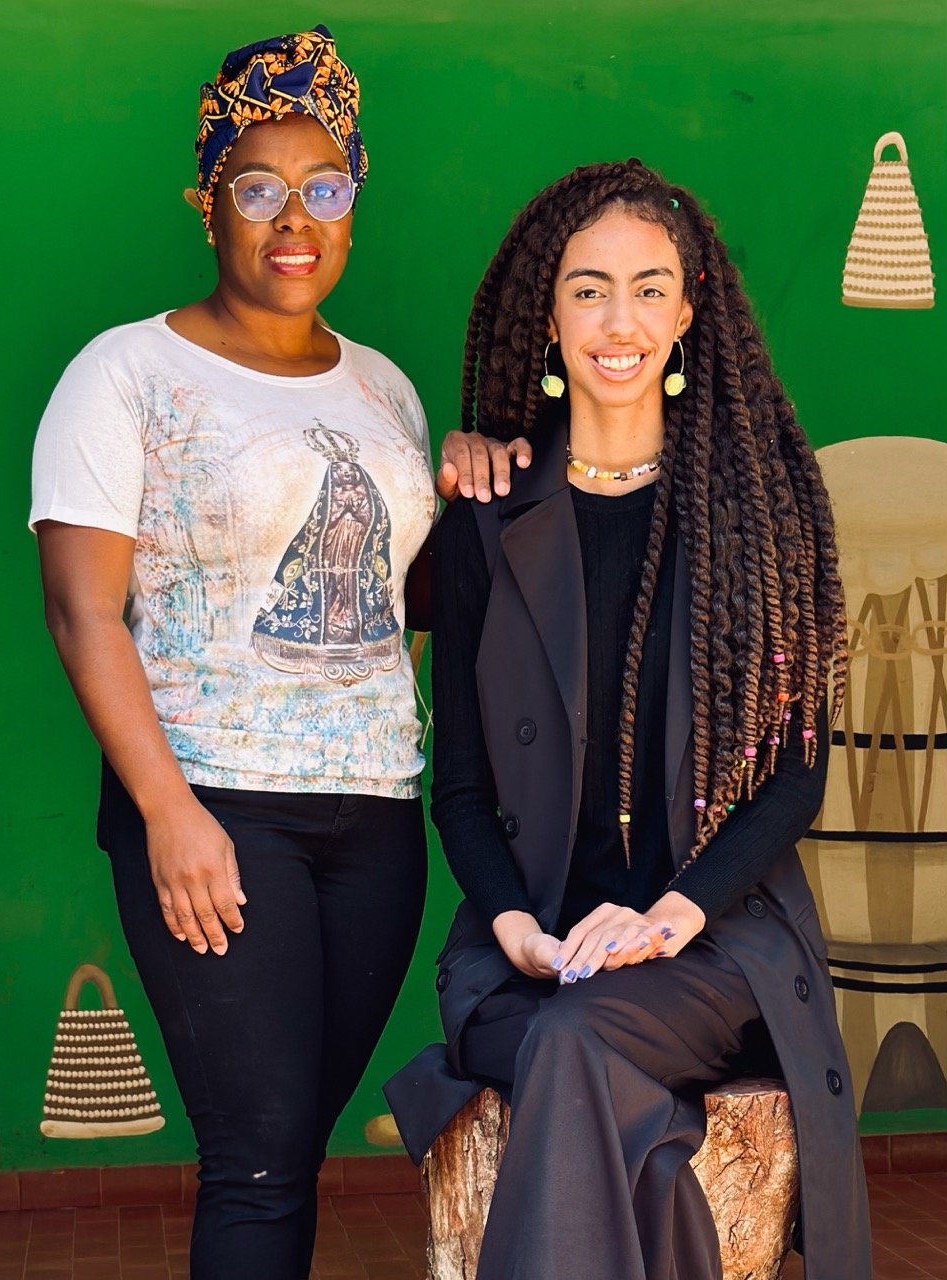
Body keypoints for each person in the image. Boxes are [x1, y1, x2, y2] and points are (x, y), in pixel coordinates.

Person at [30, 27, 516, 1280]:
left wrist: (471, 491)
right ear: (207, 203)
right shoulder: (125, 374)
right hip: (215, 804)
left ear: (353, 202)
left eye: (324, 187)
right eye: (257, 189)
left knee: (287, 1146)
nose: (294, 219)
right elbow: (84, 612)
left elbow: (397, 594)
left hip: (375, 813)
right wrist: (166, 812)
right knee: (254, 1158)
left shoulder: (384, 389)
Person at [386, 160, 871, 1279]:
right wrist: (517, 927)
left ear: (689, 310)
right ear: (549, 317)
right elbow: (460, 784)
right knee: (611, 1100)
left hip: (713, 947)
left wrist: (667, 917)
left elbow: (796, 776)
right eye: (589, 290)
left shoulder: (758, 516)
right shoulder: (487, 523)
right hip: (533, 955)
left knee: (574, 1043)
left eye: (650, 289)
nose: (620, 322)